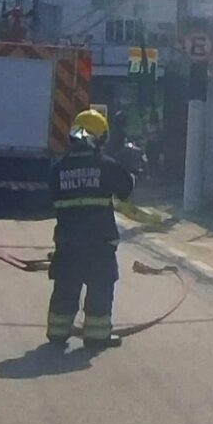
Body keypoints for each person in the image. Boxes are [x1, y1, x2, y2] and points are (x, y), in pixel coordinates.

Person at [46, 109, 135, 349]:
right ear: (99, 138)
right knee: (100, 288)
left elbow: (52, 199)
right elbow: (126, 190)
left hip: (67, 244)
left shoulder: (58, 169)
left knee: (65, 289)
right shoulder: (106, 166)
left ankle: (57, 333)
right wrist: (126, 165)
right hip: (99, 244)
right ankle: (96, 337)